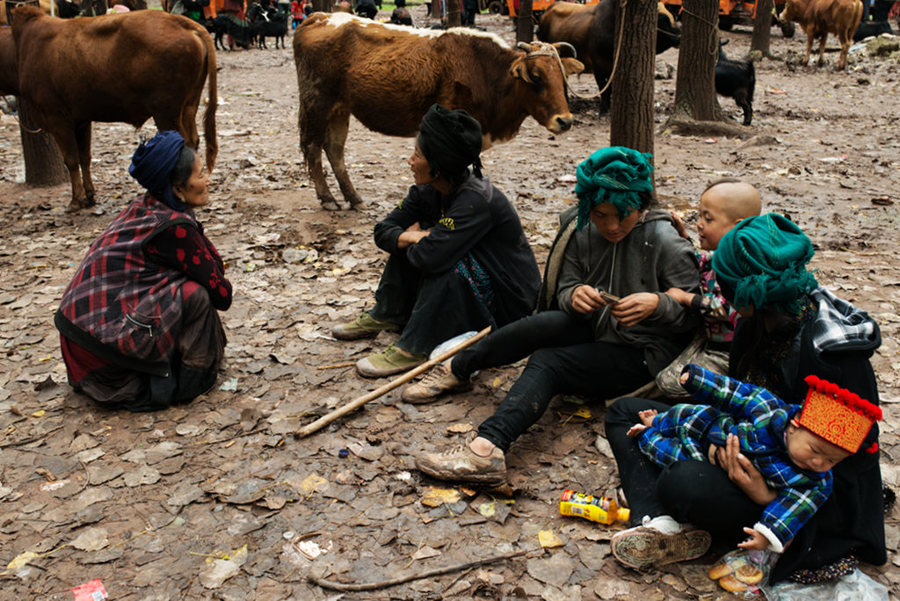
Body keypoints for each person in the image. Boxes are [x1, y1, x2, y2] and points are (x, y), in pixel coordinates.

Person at [605, 213, 886, 582]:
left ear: (747, 293)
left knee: (684, 482)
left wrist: (764, 495)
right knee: (626, 412)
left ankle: (671, 508)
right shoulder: (755, 325)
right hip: (741, 441)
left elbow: (844, 471)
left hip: (789, 490)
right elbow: (733, 397)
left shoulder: (831, 357)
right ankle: (658, 522)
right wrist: (691, 428)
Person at [412, 147, 700, 485]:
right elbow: (564, 288)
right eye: (599, 215)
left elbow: (695, 321)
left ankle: (486, 449)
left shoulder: (667, 242)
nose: (611, 225)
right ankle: (457, 368)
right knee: (540, 324)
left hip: (643, 355)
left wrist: (658, 303)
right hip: (597, 327)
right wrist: (573, 296)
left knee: (549, 362)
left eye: (622, 215)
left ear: (641, 204)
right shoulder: (581, 229)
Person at [331, 104, 541, 378]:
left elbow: (429, 258)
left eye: (417, 155)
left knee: (445, 260)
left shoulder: (474, 200)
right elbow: (383, 230)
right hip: (466, 274)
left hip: (508, 303)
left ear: (438, 166)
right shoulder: (426, 190)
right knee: (419, 244)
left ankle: (415, 347)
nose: (409, 160)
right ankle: (388, 312)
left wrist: (418, 239)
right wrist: (411, 236)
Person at [616, 364, 881, 569]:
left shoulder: (816, 479)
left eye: (831, 461)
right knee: (626, 412)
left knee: (675, 468)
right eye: (815, 451)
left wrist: (767, 529)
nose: (819, 463)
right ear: (795, 425)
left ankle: (649, 445)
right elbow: (735, 392)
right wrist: (696, 379)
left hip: (726, 487)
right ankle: (660, 518)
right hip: (705, 430)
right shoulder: (767, 409)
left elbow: (795, 508)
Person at [55, 131, 231, 412]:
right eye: (200, 175)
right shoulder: (173, 228)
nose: (208, 180)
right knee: (196, 294)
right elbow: (222, 294)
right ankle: (189, 383)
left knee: (181, 284)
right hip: (97, 355)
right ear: (177, 189)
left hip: (77, 335)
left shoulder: (145, 206)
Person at [654, 178, 761, 398]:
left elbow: (729, 309)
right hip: (709, 341)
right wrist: (683, 239)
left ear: (738, 225)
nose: (699, 223)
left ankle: (732, 393)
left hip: (730, 352)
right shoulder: (719, 255)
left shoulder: (743, 266)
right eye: (700, 215)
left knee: (669, 383)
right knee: (664, 376)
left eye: (708, 218)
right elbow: (702, 262)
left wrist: (686, 298)